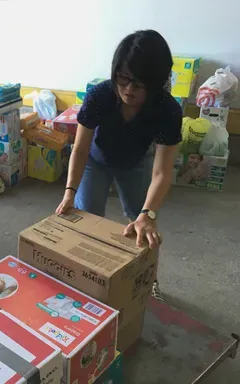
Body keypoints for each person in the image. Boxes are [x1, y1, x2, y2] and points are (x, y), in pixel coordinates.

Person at [56, 30, 183, 301]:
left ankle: (148, 281)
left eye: (139, 83)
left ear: (157, 83)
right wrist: (69, 190)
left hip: (136, 163)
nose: (128, 89)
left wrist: (147, 214)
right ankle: (89, 278)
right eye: (123, 78)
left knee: (144, 227)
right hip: (95, 160)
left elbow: (161, 172)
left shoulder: (167, 110)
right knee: (87, 217)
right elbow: (79, 149)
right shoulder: (100, 95)